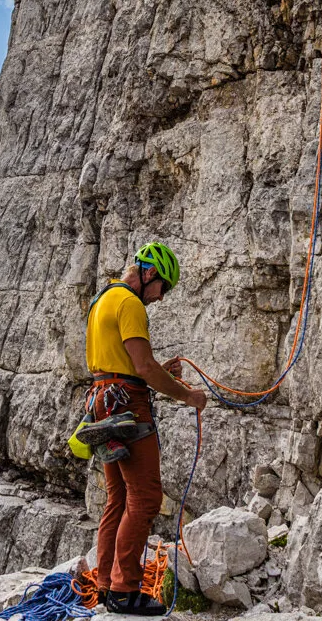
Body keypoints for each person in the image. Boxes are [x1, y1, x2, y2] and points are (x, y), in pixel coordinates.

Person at [84, 242, 208, 616]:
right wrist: (188, 396)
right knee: (146, 497)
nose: (160, 297)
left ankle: (106, 585)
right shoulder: (131, 303)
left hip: (102, 400)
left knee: (118, 498)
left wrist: (156, 370)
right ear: (150, 273)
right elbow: (142, 368)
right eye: (163, 287)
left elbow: (124, 363)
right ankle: (125, 590)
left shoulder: (103, 299)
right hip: (127, 405)